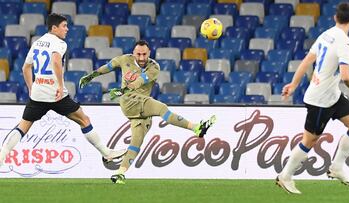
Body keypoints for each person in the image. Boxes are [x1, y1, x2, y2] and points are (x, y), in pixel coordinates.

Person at [79, 40, 216, 184]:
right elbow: (109, 66)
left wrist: (122, 89)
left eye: (144, 54)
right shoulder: (124, 59)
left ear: (149, 53)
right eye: (139, 54)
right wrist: (92, 75)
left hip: (141, 105)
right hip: (129, 101)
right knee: (162, 108)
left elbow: (139, 81)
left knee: (136, 142)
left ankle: (120, 173)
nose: (142, 57)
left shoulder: (154, 67)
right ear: (133, 53)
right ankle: (196, 128)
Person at [0, 13, 125, 167]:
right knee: (84, 120)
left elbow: (26, 67)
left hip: (38, 94)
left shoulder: (37, 42)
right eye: (64, 26)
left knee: (23, 126)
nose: (67, 29)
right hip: (56, 94)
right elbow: (56, 61)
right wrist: (59, 85)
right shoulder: (60, 44)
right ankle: (107, 153)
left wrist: (31, 87)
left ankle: (1, 156)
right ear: (54, 28)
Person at [277, 2, 349, 194]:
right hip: (320, 99)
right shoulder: (346, 43)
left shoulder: (326, 34)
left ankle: (337, 167)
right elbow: (346, 75)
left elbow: (307, 60)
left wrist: (294, 84)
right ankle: (285, 176)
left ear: (334, 17)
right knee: (309, 141)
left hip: (332, 95)